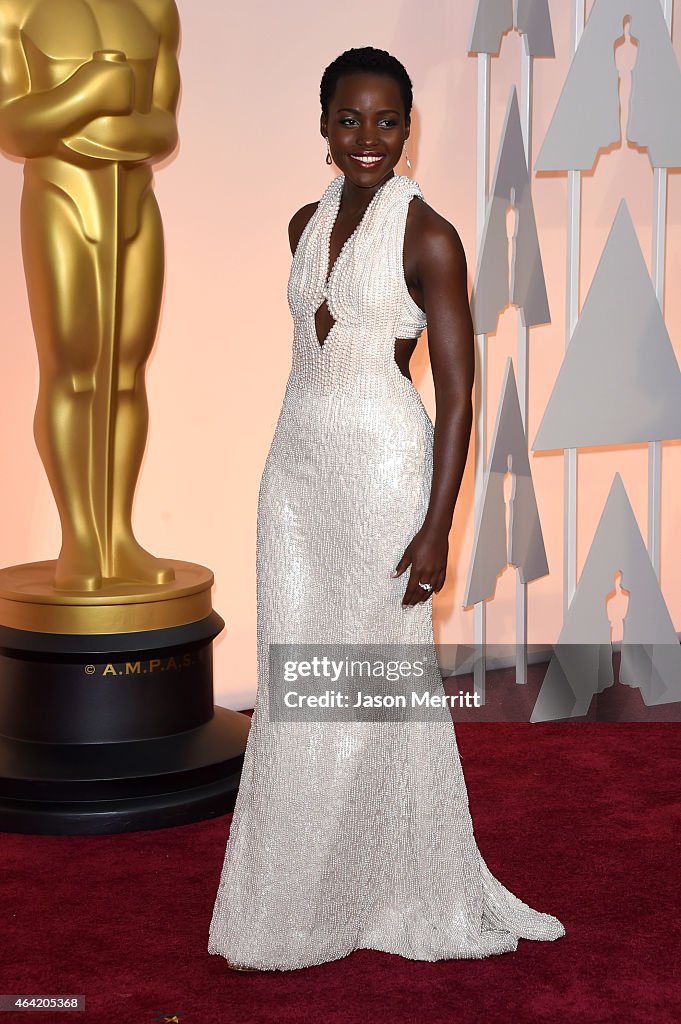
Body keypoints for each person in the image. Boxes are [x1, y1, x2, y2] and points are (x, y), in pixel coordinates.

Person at [208, 46, 565, 972]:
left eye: (388, 121)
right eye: (348, 120)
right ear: (322, 124)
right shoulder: (301, 221)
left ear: (410, 127)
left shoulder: (429, 236)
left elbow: (457, 398)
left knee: (361, 691)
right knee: (297, 690)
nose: (368, 138)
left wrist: (438, 523)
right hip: (292, 480)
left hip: (382, 481)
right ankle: (293, 898)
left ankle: (367, 887)